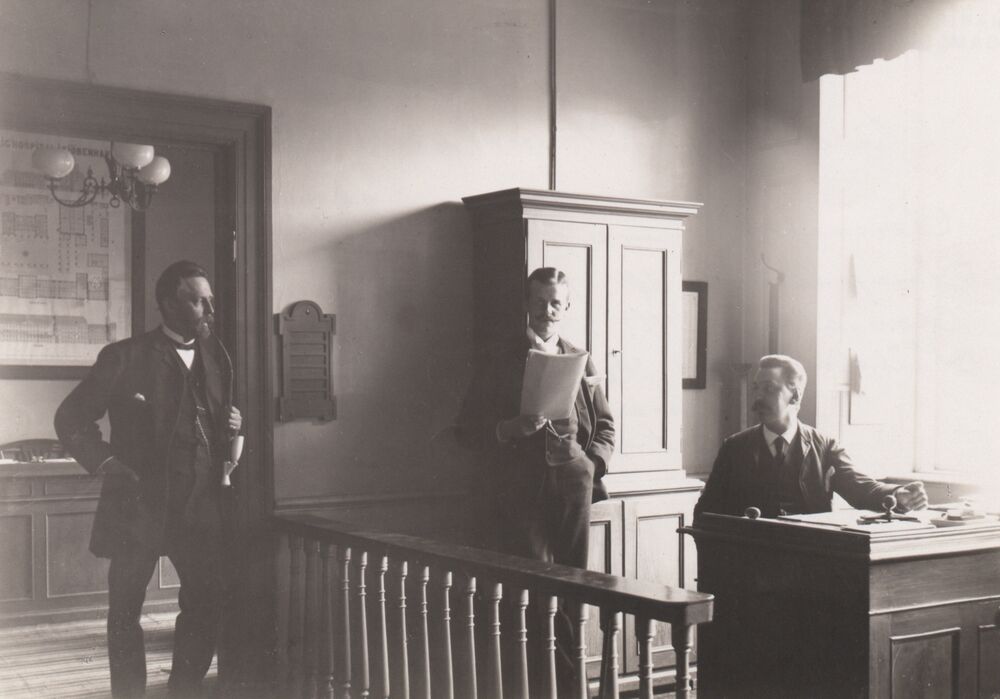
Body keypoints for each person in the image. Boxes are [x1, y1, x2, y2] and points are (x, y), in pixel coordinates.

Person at [55, 260, 242, 698]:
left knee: (205, 603)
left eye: (209, 300)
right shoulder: (124, 356)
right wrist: (106, 462)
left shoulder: (218, 358)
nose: (208, 309)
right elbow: (70, 417)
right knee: (124, 612)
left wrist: (233, 423)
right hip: (137, 505)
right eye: (196, 300)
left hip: (198, 506)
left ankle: (183, 691)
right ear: (167, 304)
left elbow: (216, 424)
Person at [455, 267, 615, 696]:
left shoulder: (581, 357)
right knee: (536, 591)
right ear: (527, 303)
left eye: (556, 303)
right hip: (519, 492)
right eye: (540, 301)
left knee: (574, 586)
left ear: (567, 306)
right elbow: (466, 430)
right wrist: (510, 428)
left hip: (574, 488)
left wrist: (591, 465)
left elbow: (606, 425)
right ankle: (551, 688)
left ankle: (571, 688)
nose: (548, 311)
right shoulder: (500, 358)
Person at [695, 354, 927, 519]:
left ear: (795, 395)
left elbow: (861, 488)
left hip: (810, 560)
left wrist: (897, 494)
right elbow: (705, 513)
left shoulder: (825, 446)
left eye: (769, 388)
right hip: (750, 563)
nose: (758, 396)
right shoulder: (735, 448)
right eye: (756, 388)